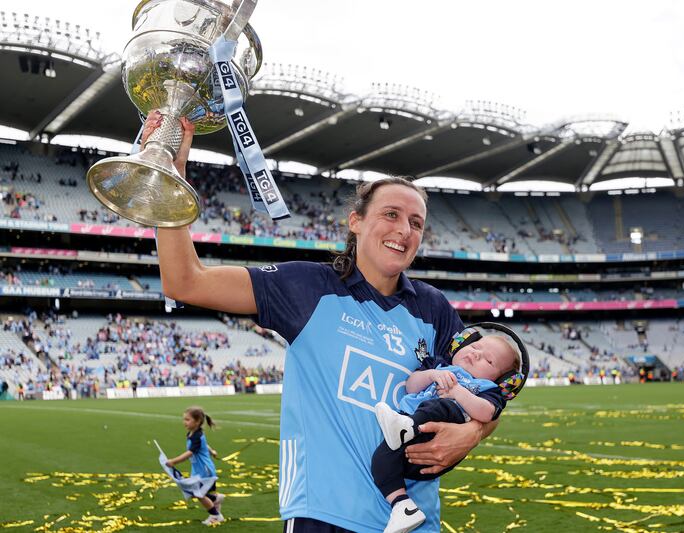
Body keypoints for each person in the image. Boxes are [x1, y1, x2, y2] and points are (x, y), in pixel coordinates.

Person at [145, 111, 501, 532]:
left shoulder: (434, 308)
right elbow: (185, 281)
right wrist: (173, 178)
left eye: (416, 222)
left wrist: (473, 433)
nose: (404, 230)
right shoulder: (307, 287)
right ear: (356, 221)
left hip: (414, 521)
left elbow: (492, 391)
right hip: (323, 515)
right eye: (390, 214)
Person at [371, 323, 529, 533]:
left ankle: (406, 427)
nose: (476, 355)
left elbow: (487, 413)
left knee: (443, 406)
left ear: (501, 380)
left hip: (436, 444)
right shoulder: (439, 365)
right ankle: (402, 505)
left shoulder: (488, 389)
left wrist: (457, 392)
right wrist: (431, 375)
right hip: (407, 448)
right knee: (380, 460)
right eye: (476, 347)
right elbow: (411, 385)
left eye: (488, 360)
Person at [164, 406, 225, 526]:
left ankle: (216, 516)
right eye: (184, 419)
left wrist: (174, 461)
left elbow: (190, 453)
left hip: (204, 470)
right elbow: (204, 444)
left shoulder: (196, 436)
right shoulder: (192, 433)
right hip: (198, 469)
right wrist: (211, 450)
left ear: (197, 422)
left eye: (187, 420)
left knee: (199, 494)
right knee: (194, 492)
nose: (184, 422)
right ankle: (215, 499)